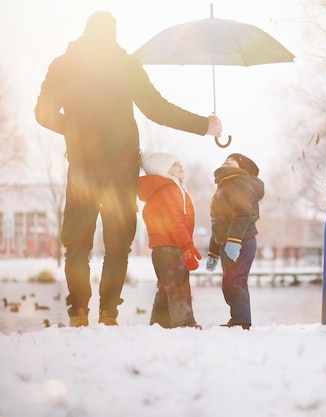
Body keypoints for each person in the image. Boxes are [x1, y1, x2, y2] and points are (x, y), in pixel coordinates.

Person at [34, 11, 222, 327]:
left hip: (82, 167)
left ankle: (79, 314)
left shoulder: (63, 65)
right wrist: (204, 125)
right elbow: (157, 109)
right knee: (118, 245)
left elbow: (42, 113)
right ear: (113, 35)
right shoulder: (125, 65)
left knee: (77, 244)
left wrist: (74, 131)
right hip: (121, 167)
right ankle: (109, 316)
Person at [138, 152, 202, 329]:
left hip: (162, 248)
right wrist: (187, 246)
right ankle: (184, 322)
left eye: (180, 162)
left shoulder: (166, 189)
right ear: (162, 170)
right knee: (179, 284)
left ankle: (160, 322)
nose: (181, 166)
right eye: (174, 164)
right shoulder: (169, 189)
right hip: (171, 246)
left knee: (167, 286)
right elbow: (174, 221)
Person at [205, 154, 264, 329]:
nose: (227, 159)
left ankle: (241, 322)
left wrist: (234, 240)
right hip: (230, 242)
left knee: (235, 280)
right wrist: (213, 251)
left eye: (233, 159)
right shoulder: (225, 185)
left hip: (242, 241)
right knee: (230, 281)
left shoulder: (239, 182)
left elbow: (243, 213)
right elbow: (218, 222)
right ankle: (238, 319)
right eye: (226, 158)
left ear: (242, 167)